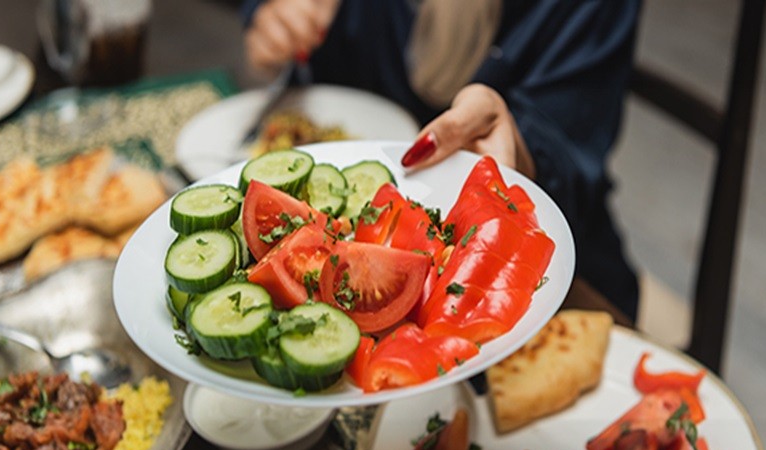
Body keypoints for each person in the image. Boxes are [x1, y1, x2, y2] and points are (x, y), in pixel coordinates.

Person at [239, 0, 642, 320]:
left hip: (538, 271)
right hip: (330, 244)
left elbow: (569, 145)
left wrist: (516, 144)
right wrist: (275, 17)